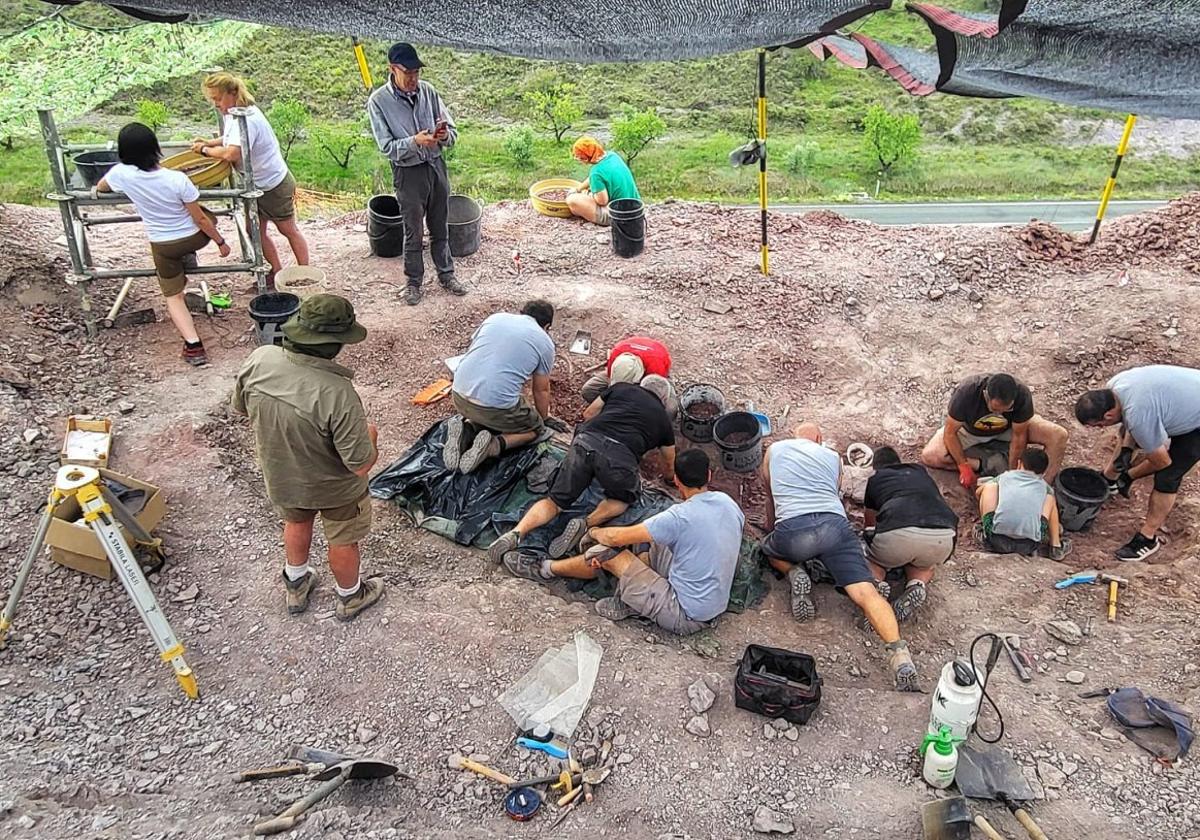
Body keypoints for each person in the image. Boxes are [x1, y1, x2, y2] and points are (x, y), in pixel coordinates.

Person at [231, 294, 384, 621]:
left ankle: (296, 583)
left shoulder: (260, 359)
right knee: (343, 539)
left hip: (283, 473)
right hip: (335, 489)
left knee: (296, 521)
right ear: (337, 344)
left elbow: (242, 408)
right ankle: (351, 596)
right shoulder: (337, 392)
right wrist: (371, 436)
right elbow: (359, 464)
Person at [513, 450, 741, 635]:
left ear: (677, 480)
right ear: (709, 476)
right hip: (712, 598)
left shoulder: (679, 517)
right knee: (648, 538)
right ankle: (636, 594)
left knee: (604, 554)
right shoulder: (727, 503)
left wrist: (593, 531)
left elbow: (613, 538)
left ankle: (545, 569)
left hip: (685, 613)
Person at [761, 423, 918, 691]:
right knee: (867, 593)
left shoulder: (775, 449)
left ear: (794, 438)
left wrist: (772, 526)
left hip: (793, 531)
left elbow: (771, 494)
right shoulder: (833, 457)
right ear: (819, 439)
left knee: (768, 547)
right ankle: (900, 655)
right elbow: (835, 493)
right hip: (835, 526)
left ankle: (793, 571)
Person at [491, 375, 677, 566]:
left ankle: (516, 533)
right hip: (619, 459)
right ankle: (585, 522)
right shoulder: (663, 420)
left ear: (641, 385)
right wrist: (670, 480)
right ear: (663, 400)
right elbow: (669, 464)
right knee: (622, 499)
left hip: (585, 442)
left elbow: (589, 414)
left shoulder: (621, 388)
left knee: (554, 501)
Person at [96, 122, 228, 367]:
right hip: (193, 238)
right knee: (207, 215)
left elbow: (101, 187)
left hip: (163, 244)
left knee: (173, 296)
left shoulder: (120, 174)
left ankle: (193, 346)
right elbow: (199, 219)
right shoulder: (177, 179)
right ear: (155, 148)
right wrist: (220, 242)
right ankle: (188, 257)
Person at [367, 41, 465, 305]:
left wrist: (443, 136)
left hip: (436, 166)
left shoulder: (429, 92)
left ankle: (447, 275)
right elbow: (387, 148)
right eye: (407, 73)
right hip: (407, 173)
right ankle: (413, 282)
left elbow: (453, 132)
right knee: (413, 231)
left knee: (440, 224)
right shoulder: (378, 101)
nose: (413, 78)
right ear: (392, 69)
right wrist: (414, 141)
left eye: (416, 73)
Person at [191, 72, 309, 286]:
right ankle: (275, 272)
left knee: (287, 229)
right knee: (254, 230)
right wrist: (211, 142)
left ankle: (306, 274)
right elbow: (230, 139)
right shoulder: (233, 113)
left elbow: (232, 153)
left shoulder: (248, 118)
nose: (216, 104)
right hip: (255, 183)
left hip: (273, 184)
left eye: (218, 98)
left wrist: (205, 150)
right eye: (213, 100)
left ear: (232, 93)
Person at [1074, 364, 1200, 561]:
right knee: (1128, 431)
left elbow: (1162, 462)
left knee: (1168, 476)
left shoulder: (1138, 415)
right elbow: (1129, 424)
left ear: (1108, 416)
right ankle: (1109, 479)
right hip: (1187, 397)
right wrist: (1126, 450)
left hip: (1196, 420)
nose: (1100, 428)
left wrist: (1129, 475)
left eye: (1098, 425)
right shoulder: (1115, 387)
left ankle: (1147, 538)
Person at [445, 300, 556, 474]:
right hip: (493, 408)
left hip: (458, 395)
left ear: (522, 312)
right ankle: (492, 446)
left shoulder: (496, 318)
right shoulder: (545, 342)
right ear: (547, 325)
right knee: (534, 429)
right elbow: (540, 390)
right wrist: (543, 419)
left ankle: (467, 429)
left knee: (491, 406)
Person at [862, 446, 959, 622]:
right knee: (923, 565)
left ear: (875, 467)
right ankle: (917, 584)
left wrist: (871, 540)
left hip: (899, 532)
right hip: (943, 535)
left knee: (875, 561)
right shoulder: (919, 471)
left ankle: (876, 584)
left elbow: (870, 522)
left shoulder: (877, 479)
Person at [921, 373, 1068, 489]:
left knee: (1058, 435)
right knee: (930, 456)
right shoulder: (967, 392)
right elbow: (950, 433)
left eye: (1006, 409)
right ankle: (985, 464)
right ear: (986, 396)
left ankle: (1041, 487)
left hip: (1009, 428)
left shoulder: (1022, 394)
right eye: (995, 409)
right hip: (970, 431)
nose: (999, 414)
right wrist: (963, 465)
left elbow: (1019, 436)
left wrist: (1012, 475)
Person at [975, 448, 1067, 559]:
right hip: (1030, 545)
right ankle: (1055, 546)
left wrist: (983, 496)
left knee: (990, 486)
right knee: (1050, 499)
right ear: (1044, 473)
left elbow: (978, 493)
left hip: (996, 541)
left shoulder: (1004, 477)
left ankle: (984, 531)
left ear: (1019, 464)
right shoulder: (1044, 488)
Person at [566, 136, 640, 226]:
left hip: (620, 216)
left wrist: (588, 194)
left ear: (585, 158)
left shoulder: (596, 172)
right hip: (636, 207)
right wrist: (578, 189)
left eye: (578, 157)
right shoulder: (612, 156)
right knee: (588, 192)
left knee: (571, 200)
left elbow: (602, 201)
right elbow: (594, 178)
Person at [580, 335, 673, 403]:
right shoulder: (616, 354)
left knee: (669, 411)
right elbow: (610, 376)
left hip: (652, 376)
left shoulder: (656, 368)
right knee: (589, 390)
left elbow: (653, 394)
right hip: (629, 368)